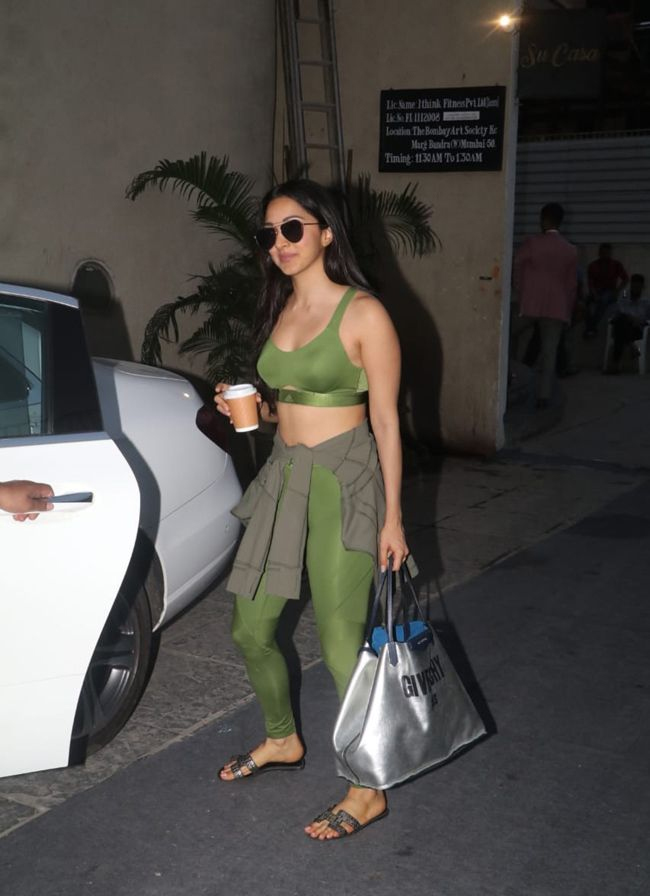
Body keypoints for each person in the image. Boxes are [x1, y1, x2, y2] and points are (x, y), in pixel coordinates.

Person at [213, 179, 411, 841]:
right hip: (285, 474)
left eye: (292, 228)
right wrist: (247, 408)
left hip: (344, 480)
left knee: (339, 642)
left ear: (325, 232)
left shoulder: (364, 313)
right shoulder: (280, 309)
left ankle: (367, 787)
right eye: (268, 234)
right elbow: (287, 405)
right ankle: (283, 739)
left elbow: (386, 421)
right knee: (250, 627)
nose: (280, 243)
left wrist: (393, 518)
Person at [512, 202, 578, 409]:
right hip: (557, 307)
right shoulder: (570, 250)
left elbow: (517, 265)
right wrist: (567, 312)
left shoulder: (532, 243)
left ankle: (510, 377)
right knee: (550, 353)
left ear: (543, 219)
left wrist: (520, 290)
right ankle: (544, 396)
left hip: (530, 304)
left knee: (507, 335)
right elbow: (571, 286)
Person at [605, 273, 650, 373]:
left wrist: (639, 320)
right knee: (622, 322)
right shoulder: (624, 297)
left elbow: (648, 320)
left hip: (636, 330)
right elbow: (617, 312)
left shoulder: (646, 302)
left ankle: (615, 365)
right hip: (623, 327)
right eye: (634, 286)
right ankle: (631, 345)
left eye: (638, 287)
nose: (635, 289)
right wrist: (630, 318)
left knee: (620, 327)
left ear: (642, 287)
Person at [584, 243, 628, 338]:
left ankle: (591, 327)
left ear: (610, 253)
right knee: (585, 302)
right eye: (603, 253)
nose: (605, 255)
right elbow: (590, 283)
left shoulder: (616, 265)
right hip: (597, 290)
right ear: (599, 253)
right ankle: (590, 326)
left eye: (607, 253)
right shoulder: (593, 265)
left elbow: (625, 278)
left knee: (603, 300)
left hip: (610, 291)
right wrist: (594, 294)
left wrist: (617, 291)